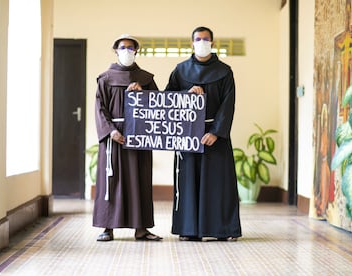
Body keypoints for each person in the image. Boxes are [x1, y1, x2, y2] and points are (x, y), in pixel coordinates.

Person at [165, 26, 242, 241]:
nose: (202, 42)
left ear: (213, 43)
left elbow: (228, 105)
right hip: (187, 136)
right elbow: (167, 99)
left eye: (206, 39)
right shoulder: (180, 70)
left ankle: (222, 230)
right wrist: (185, 94)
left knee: (218, 183)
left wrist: (216, 132)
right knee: (188, 183)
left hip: (215, 137)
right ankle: (189, 230)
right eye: (198, 39)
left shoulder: (225, 71)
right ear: (191, 43)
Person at [93, 34, 162, 242]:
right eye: (123, 47)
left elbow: (158, 106)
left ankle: (141, 229)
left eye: (131, 48)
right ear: (116, 50)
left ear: (136, 51)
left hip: (139, 136)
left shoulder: (146, 78)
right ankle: (107, 227)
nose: (127, 51)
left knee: (139, 180)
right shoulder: (105, 78)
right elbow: (100, 108)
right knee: (111, 181)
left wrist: (142, 94)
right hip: (114, 137)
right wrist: (111, 131)